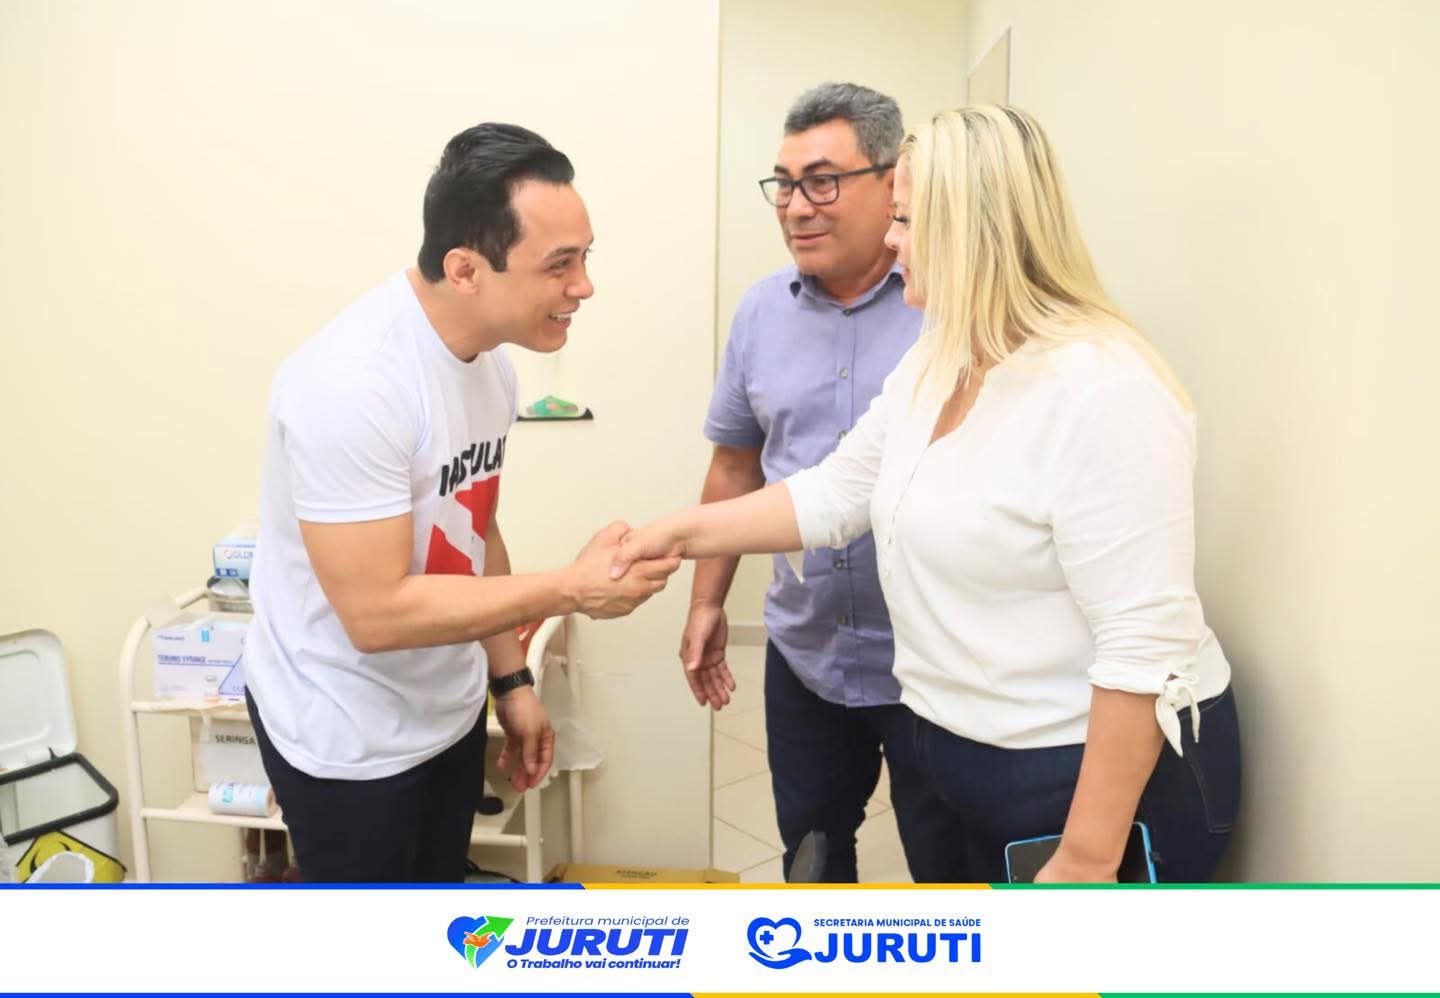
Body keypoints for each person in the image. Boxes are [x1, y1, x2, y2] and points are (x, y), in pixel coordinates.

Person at [617, 106, 1242, 883]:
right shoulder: (941, 355)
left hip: (1090, 779)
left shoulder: (1103, 388)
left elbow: (1144, 646)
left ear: (971, 231)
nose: (891, 240)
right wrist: (674, 535)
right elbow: (836, 493)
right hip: (967, 756)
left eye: (907, 220)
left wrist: (1085, 858)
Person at [243, 123, 680, 883]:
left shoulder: (490, 367)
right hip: (345, 732)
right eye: (559, 264)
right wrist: (570, 588)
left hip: (444, 711)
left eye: (585, 258)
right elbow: (376, 616)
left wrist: (510, 679)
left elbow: (474, 523)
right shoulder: (352, 385)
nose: (583, 286)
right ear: (465, 268)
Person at [692, 82, 962, 882]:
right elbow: (734, 465)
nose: (796, 208)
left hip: (933, 659)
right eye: (784, 185)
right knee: (811, 860)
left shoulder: (952, 307)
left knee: (948, 870)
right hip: (807, 650)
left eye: (822, 182)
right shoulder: (759, 314)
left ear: (892, 179)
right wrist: (706, 601)